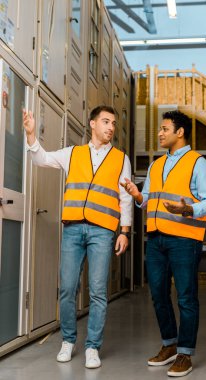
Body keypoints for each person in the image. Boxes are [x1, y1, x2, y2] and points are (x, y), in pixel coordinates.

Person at [23, 105, 132, 369]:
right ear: (92, 124)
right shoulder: (73, 153)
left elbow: (125, 197)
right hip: (73, 228)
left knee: (97, 292)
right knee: (68, 288)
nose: (111, 127)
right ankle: (68, 341)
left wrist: (124, 232)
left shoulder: (121, 158)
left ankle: (93, 346)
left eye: (114, 123)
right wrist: (31, 134)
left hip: (103, 230)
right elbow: (42, 159)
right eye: (105, 121)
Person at [122, 110, 206, 377]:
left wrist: (188, 210)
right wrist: (138, 195)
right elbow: (149, 198)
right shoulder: (156, 165)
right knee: (158, 295)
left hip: (185, 240)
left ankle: (185, 354)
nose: (160, 133)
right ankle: (169, 345)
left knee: (186, 298)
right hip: (156, 238)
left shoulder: (199, 163)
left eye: (165, 128)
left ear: (180, 132)